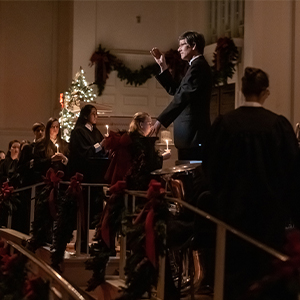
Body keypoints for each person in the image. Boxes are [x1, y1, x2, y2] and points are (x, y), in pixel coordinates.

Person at [203, 67, 300, 300]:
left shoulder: (224, 125)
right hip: (270, 217)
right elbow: (292, 172)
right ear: (265, 92)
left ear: (242, 90)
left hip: (232, 215)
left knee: (234, 278)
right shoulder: (278, 126)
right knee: (267, 276)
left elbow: (211, 168)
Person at [150, 31, 212, 161]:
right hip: (189, 137)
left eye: (182, 45)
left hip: (194, 136)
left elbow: (182, 97)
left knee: (192, 176)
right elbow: (177, 91)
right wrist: (163, 67)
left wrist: (160, 120)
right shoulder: (193, 66)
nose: (179, 49)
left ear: (193, 46)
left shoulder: (199, 66)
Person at [104, 112, 170, 189]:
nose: (151, 127)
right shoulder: (140, 142)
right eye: (149, 123)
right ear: (141, 124)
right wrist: (162, 157)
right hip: (137, 182)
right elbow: (146, 164)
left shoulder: (129, 138)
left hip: (126, 179)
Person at [68, 104, 107, 183]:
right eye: (93, 114)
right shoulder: (78, 132)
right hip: (84, 170)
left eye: (96, 114)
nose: (96, 116)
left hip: (96, 170)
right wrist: (100, 145)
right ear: (85, 116)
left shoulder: (96, 131)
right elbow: (83, 151)